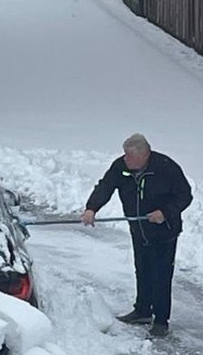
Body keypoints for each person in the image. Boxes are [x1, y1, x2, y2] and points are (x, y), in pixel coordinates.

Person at [82, 134, 192, 337]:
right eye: (125, 154)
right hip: (139, 228)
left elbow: (185, 195)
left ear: (144, 155)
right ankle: (142, 310)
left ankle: (160, 320)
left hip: (164, 230)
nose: (125, 159)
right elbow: (105, 186)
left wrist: (164, 212)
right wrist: (92, 208)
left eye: (130, 156)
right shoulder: (121, 167)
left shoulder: (166, 168)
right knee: (142, 269)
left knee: (161, 274)